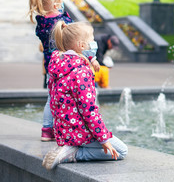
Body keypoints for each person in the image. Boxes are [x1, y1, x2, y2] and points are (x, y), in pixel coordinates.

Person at [42, 21, 127, 170]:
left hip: (63, 132)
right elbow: (88, 110)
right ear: (81, 46)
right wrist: (103, 138)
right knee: (121, 150)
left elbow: (53, 102)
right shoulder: (81, 71)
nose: (94, 43)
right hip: (79, 132)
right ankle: (74, 154)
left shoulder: (57, 66)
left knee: (106, 147)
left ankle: (69, 148)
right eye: (92, 40)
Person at [29, 0, 74, 142]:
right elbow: (73, 35)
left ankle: (47, 130)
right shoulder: (62, 21)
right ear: (56, 5)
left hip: (50, 66)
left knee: (51, 98)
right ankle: (64, 128)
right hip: (65, 66)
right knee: (66, 97)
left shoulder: (40, 22)